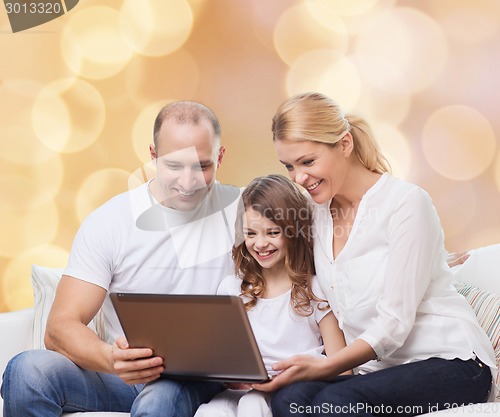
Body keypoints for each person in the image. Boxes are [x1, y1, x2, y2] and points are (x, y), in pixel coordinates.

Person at [254, 92, 496, 417]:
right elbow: (265, 234)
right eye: (290, 166)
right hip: (377, 374)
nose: (298, 178)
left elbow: (394, 324)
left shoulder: (406, 203)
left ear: (344, 144)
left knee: (334, 404)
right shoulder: (314, 215)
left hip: (453, 365)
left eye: (308, 162)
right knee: (288, 399)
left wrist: (324, 367)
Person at [1, 101, 241, 416]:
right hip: (121, 377)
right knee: (27, 371)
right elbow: (59, 327)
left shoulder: (246, 213)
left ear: (220, 157)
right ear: (154, 155)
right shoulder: (112, 221)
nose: (187, 181)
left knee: (159, 399)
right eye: (174, 166)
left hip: (199, 378)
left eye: (202, 166)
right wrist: (112, 359)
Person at [195, 174, 350, 417]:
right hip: (240, 390)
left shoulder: (315, 290)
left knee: (253, 405)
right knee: (210, 412)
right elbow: (222, 357)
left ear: (293, 232)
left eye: (272, 232)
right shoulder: (232, 289)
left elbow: (342, 369)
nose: (260, 243)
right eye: (251, 233)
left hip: (290, 392)